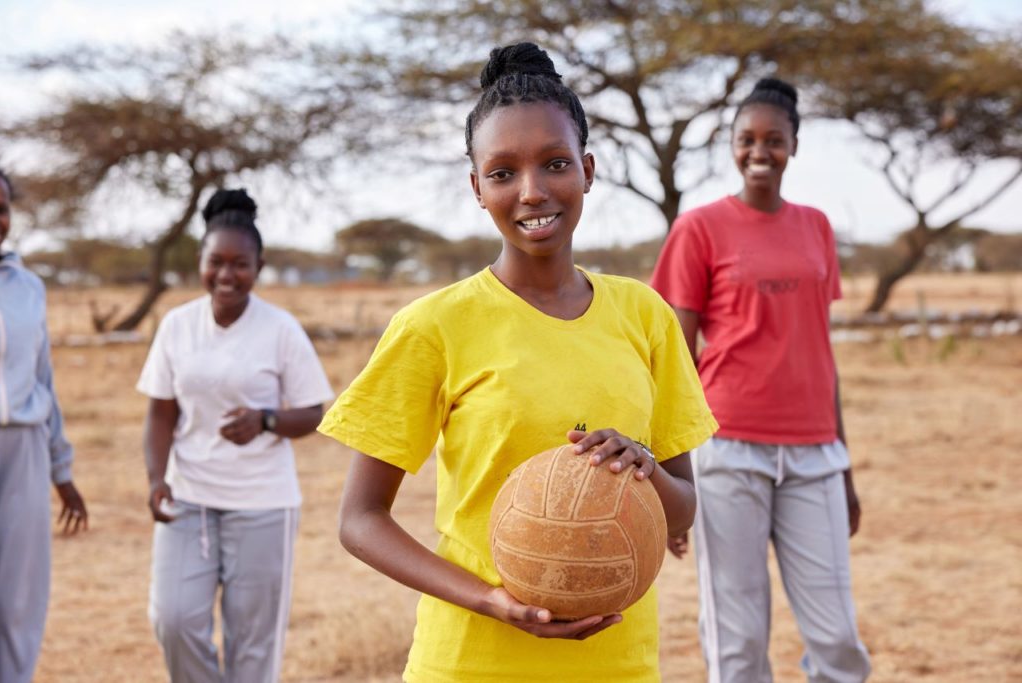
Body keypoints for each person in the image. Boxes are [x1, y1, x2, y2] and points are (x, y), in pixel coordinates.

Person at [319, 42, 717, 683]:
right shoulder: (434, 326)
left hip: (618, 665)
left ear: (588, 169)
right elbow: (361, 520)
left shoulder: (644, 316)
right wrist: (491, 601)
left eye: (555, 164)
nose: (533, 192)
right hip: (473, 660)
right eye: (503, 173)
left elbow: (683, 508)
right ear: (477, 187)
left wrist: (644, 469)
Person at [650, 78, 872, 682]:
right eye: (746, 139)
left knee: (837, 638)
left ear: (794, 146)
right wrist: (674, 478)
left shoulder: (816, 227)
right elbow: (674, 360)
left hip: (815, 455)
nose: (759, 151)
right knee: (737, 637)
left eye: (774, 140)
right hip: (727, 451)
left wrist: (845, 466)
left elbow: (818, 350)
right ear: (731, 145)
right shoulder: (698, 229)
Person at [136, 188, 333, 683]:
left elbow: (313, 412)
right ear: (199, 261)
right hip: (188, 501)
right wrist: (156, 479)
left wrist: (266, 420)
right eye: (215, 262)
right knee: (174, 621)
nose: (226, 275)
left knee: (252, 644)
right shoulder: (177, 326)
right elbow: (160, 414)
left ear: (259, 265)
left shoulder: (281, 330)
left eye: (239, 264)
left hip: (263, 504)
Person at [0, 168, 89, 683]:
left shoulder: (28, 286)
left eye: (2, 208)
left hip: (25, 452)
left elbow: (43, 380)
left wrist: (61, 468)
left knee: (18, 599)